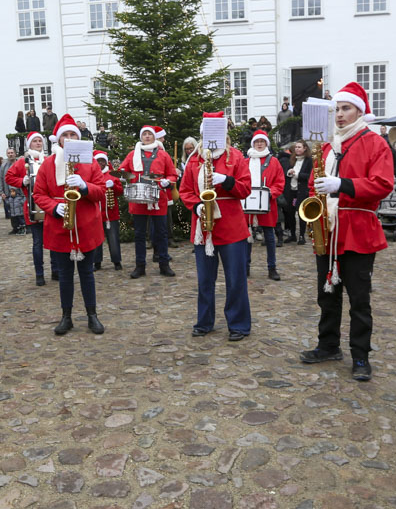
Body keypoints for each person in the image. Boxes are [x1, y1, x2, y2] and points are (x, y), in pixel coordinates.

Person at [298, 84, 394, 381]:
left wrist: (343, 185)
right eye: (336, 109)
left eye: (345, 108)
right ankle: (328, 345)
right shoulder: (326, 145)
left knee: (359, 299)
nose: (339, 115)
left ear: (359, 111)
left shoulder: (374, 142)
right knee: (326, 294)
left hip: (357, 228)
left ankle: (361, 356)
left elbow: (383, 184)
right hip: (327, 228)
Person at [180, 113, 252, 340]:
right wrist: (197, 207)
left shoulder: (236, 157)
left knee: (235, 278)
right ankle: (204, 321)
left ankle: (238, 324)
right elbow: (185, 191)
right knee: (204, 279)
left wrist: (227, 180)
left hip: (231, 225)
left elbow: (246, 189)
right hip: (203, 224)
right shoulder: (194, 159)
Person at [33, 116, 107, 334]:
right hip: (60, 228)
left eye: (73, 134)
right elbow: (39, 194)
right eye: (65, 135)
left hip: (86, 226)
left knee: (87, 273)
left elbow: (101, 191)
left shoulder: (90, 162)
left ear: (79, 137)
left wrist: (85, 186)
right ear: (59, 139)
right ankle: (66, 316)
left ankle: (92, 315)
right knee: (64, 275)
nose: (69, 138)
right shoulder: (48, 164)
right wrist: (53, 208)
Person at [119, 124, 178, 278]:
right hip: (138, 199)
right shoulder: (132, 154)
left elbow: (172, 175)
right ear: (141, 137)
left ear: (154, 137)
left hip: (158, 199)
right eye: (144, 134)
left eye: (149, 134)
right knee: (139, 234)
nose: (147, 136)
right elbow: (122, 170)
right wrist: (122, 175)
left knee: (161, 233)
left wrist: (167, 181)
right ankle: (140, 266)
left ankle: (164, 264)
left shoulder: (163, 155)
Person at [5, 131, 55, 284]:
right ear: (29, 144)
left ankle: (56, 270)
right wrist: (22, 181)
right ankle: (39, 274)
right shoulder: (23, 161)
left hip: (49, 205)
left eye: (40, 141)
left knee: (54, 240)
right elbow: (9, 177)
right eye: (35, 141)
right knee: (37, 242)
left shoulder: (49, 159)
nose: (38, 143)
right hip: (32, 205)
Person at [244, 129, 285, 281]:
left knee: (269, 237)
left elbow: (279, 182)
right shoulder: (245, 162)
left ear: (266, 143)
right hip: (249, 205)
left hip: (267, 204)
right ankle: (245, 267)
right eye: (257, 142)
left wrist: (268, 194)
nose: (259, 144)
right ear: (253, 143)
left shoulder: (274, 162)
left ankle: (272, 267)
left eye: (262, 141)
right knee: (247, 237)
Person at [92, 150, 123, 271]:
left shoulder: (112, 175)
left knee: (113, 238)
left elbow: (120, 191)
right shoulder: (92, 175)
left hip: (111, 213)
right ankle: (96, 262)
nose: (100, 163)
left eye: (102, 161)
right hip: (95, 213)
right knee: (96, 239)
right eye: (98, 161)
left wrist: (114, 186)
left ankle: (117, 261)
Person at [284, 140, 313, 244]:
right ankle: (292, 235)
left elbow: (310, 176)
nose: (297, 149)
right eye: (296, 147)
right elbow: (287, 171)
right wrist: (289, 172)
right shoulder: (292, 159)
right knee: (290, 213)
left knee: (301, 214)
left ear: (305, 148)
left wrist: (297, 174)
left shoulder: (309, 160)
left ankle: (301, 236)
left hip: (302, 191)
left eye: (299, 147)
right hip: (291, 190)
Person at [0, 149, 25, 234]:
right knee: (11, 210)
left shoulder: (21, 164)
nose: (10, 155)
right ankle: (15, 227)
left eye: (12, 153)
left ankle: (23, 226)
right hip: (8, 192)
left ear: (15, 154)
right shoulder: (4, 166)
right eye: (8, 153)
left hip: (20, 192)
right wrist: (1, 192)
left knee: (20, 210)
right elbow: (1, 179)